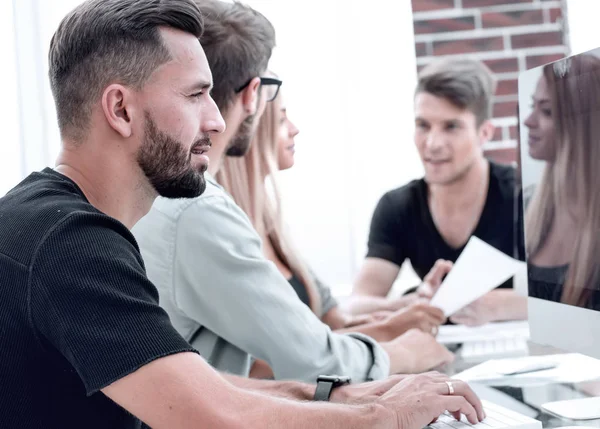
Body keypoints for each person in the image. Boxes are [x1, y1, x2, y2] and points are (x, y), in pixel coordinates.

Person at [0, 0, 486, 427]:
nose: (216, 119)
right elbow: (219, 418)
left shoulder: (51, 220)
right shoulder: (70, 242)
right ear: (121, 110)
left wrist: (338, 394)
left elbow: (195, 387)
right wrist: (387, 416)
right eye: (195, 95)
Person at [133, 0, 454, 384]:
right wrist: (403, 352)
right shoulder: (195, 210)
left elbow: (320, 333)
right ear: (253, 95)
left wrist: (399, 321)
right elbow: (310, 359)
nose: (295, 129)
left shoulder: (187, 202)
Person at [216, 85, 446, 339]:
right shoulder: (222, 230)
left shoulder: (272, 225)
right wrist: (391, 329)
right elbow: (284, 354)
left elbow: (333, 322)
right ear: (249, 131)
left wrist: (405, 310)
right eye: (281, 120)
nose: (294, 128)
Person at [349, 58, 527, 327]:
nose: (432, 144)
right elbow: (354, 307)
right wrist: (413, 303)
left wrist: (495, 305)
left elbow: (576, 297)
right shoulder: (397, 206)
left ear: (484, 132)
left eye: (451, 127)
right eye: (423, 125)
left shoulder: (524, 196)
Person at [524, 54, 600, 310]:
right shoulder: (528, 207)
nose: (528, 121)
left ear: (582, 125)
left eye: (546, 111)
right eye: (531, 106)